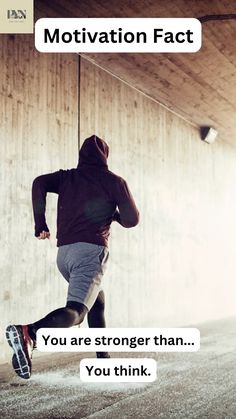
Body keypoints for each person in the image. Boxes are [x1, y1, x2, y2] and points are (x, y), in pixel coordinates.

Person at [6, 134, 139, 379]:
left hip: (64, 255)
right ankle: (29, 332)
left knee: (97, 301)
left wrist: (40, 223)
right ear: (105, 157)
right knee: (77, 312)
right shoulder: (114, 182)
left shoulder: (67, 177)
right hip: (90, 253)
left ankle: (103, 358)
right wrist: (114, 214)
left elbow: (39, 183)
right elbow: (132, 220)